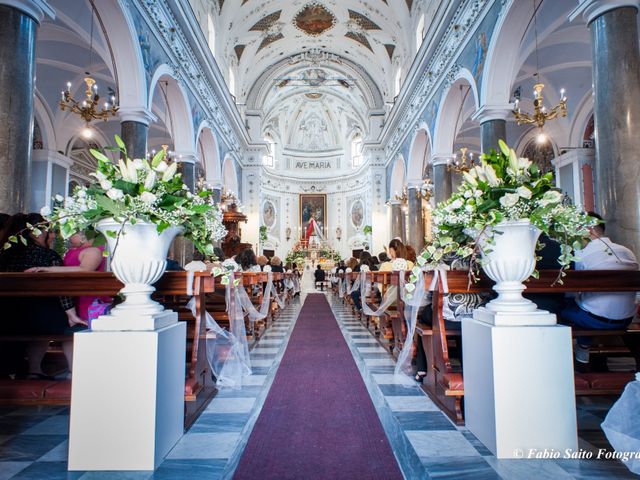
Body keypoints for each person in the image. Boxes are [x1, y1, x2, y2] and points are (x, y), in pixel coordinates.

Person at [0, 213, 85, 378]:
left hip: (7, 319)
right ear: (34, 233)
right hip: (42, 320)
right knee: (71, 328)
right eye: (47, 231)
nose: (51, 235)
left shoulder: (4, 256)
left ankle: (27, 370)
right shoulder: (48, 256)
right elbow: (62, 289)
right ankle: (64, 373)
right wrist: (71, 314)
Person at [560, 213, 639, 364]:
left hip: (594, 319)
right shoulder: (627, 251)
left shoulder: (582, 254)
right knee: (589, 303)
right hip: (626, 319)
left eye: (576, 230)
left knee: (559, 305)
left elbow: (572, 289)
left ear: (589, 230)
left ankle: (576, 351)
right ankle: (584, 347)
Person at [26, 230, 111, 327]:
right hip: (73, 296)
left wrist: (49, 269)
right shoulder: (73, 251)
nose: (67, 237)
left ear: (82, 235)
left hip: (87, 298)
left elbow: (85, 270)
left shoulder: (93, 250)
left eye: (71, 234)